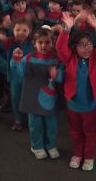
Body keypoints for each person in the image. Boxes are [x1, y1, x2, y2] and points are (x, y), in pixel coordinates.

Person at [58, 12, 96, 171]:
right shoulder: (70, 59)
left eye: (89, 44)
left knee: (90, 132)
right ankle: (78, 153)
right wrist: (66, 31)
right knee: (75, 132)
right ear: (75, 47)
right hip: (73, 104)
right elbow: (60, 48)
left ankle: (89, 156)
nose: (86, 48)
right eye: (82, 45)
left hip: (90, 105)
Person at [11, 28, 63, 160]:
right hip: (32, 96)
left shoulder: (57, 59)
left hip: (50, 99)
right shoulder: (28, 58)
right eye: (40, 42)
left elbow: (62, 77)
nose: (44, 45)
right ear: (34, 43)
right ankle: (37, 146)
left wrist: (57, 74)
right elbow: (20, 73)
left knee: (51, 124)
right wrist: (16, 60)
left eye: (47, 42)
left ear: (53, 43)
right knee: (35, 124)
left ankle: (51, 145)